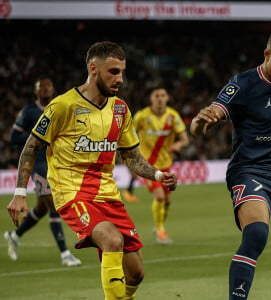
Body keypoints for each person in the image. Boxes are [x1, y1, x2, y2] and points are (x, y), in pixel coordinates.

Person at [7, 41, 177, 300]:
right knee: (111, 240)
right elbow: (30, 147)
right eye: (113, 72)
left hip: (108, 195)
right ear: (94, 68)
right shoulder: (63, 106)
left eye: (122, 71)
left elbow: (131, 156)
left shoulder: (120, 110)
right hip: (72, 193)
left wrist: (156, 175)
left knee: (135, 273)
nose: (120, 78)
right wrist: (20, 192)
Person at [190, 28, 271, 299]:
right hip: (250, 173)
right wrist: (203, 121)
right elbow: (207, 116)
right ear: (267, 54)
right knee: (257, 234)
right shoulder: (243, 84)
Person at [4, 76, 81, 267]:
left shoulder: (60, 108)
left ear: (53, 89)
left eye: (48, 86)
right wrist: (37, 138)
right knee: (54, 206)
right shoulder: (29, 111)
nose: (45, 89)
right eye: (42, 87)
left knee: (42, 208)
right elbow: (14, 137)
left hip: (57, 163)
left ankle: (14, 235)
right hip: (38, 165)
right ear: (36, 91)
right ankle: (65, 254)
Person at [133, 87, 189, 244]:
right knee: (159, 196)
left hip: (166, 165)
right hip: (148, 166)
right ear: (151, 98)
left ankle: (160, 225)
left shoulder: (172, 116)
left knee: (167, 202)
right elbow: (127, 135)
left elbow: (185, 139)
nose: (160, 98)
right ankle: (160, 231)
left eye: (163, 95)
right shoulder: (142, 116)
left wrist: (178, 145)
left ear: (167, 97)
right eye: (156, 95)